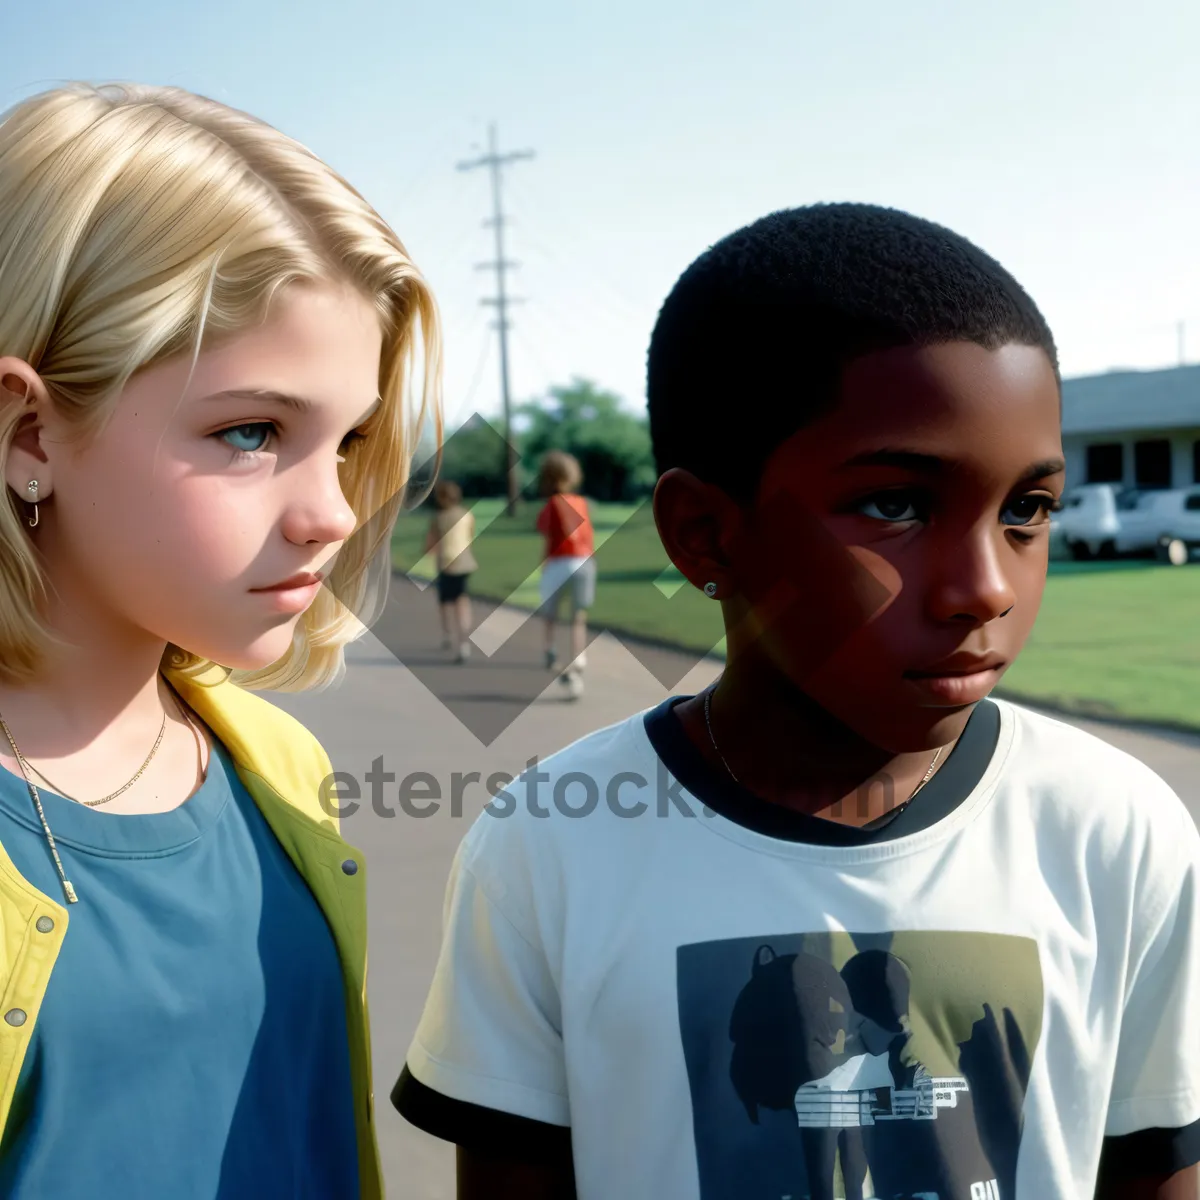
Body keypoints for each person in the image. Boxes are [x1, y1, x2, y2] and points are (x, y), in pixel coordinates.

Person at [391, 204, 1200, 1199]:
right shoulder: (551, 848)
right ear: (706, 536)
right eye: (897, 505)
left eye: (1026, 510)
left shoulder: (1115, 834)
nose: (986, 586)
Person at [0, 81, 441, 1198]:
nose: (334, 513)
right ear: (26, 431)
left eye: (345, 443)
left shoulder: (282, 769)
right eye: (251, 432)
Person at [534, 450, 595, 699]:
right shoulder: (581, 502)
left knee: (551, 613)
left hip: (559, 563)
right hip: (585, 561)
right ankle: (579, 657)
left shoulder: (552, 504)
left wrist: (543, 564)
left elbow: (546, 535)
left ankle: (551, 651)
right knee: (578, 616)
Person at [425, 479, 478, 662]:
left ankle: (448, 634)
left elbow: (431, 544)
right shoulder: (466, 515)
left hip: (446, 564)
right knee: (462, 601)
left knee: (445, 602)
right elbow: (470, 535)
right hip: (465, 563)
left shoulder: (439, 518)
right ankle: (464, 641)